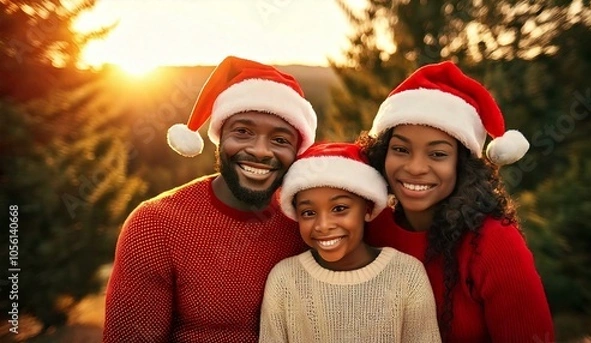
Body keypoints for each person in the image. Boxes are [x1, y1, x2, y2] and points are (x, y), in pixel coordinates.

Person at [103, 56, 318, 342]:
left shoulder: (310, 224)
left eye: (280, 140)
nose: (261, 151)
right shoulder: (155, 225)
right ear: (220, 137)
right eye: (243, 132)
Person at [357, 61, 555, 342]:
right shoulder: (369, 226)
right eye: (400, 149)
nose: (415, 168)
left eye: (437, 154)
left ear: (462, 165)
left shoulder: (493, 242)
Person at [259, 142, 442, 343]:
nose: (323, 225)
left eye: (339, 208)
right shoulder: (285, 279)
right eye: (309, 213)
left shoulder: (407, 275)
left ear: (367, 208)